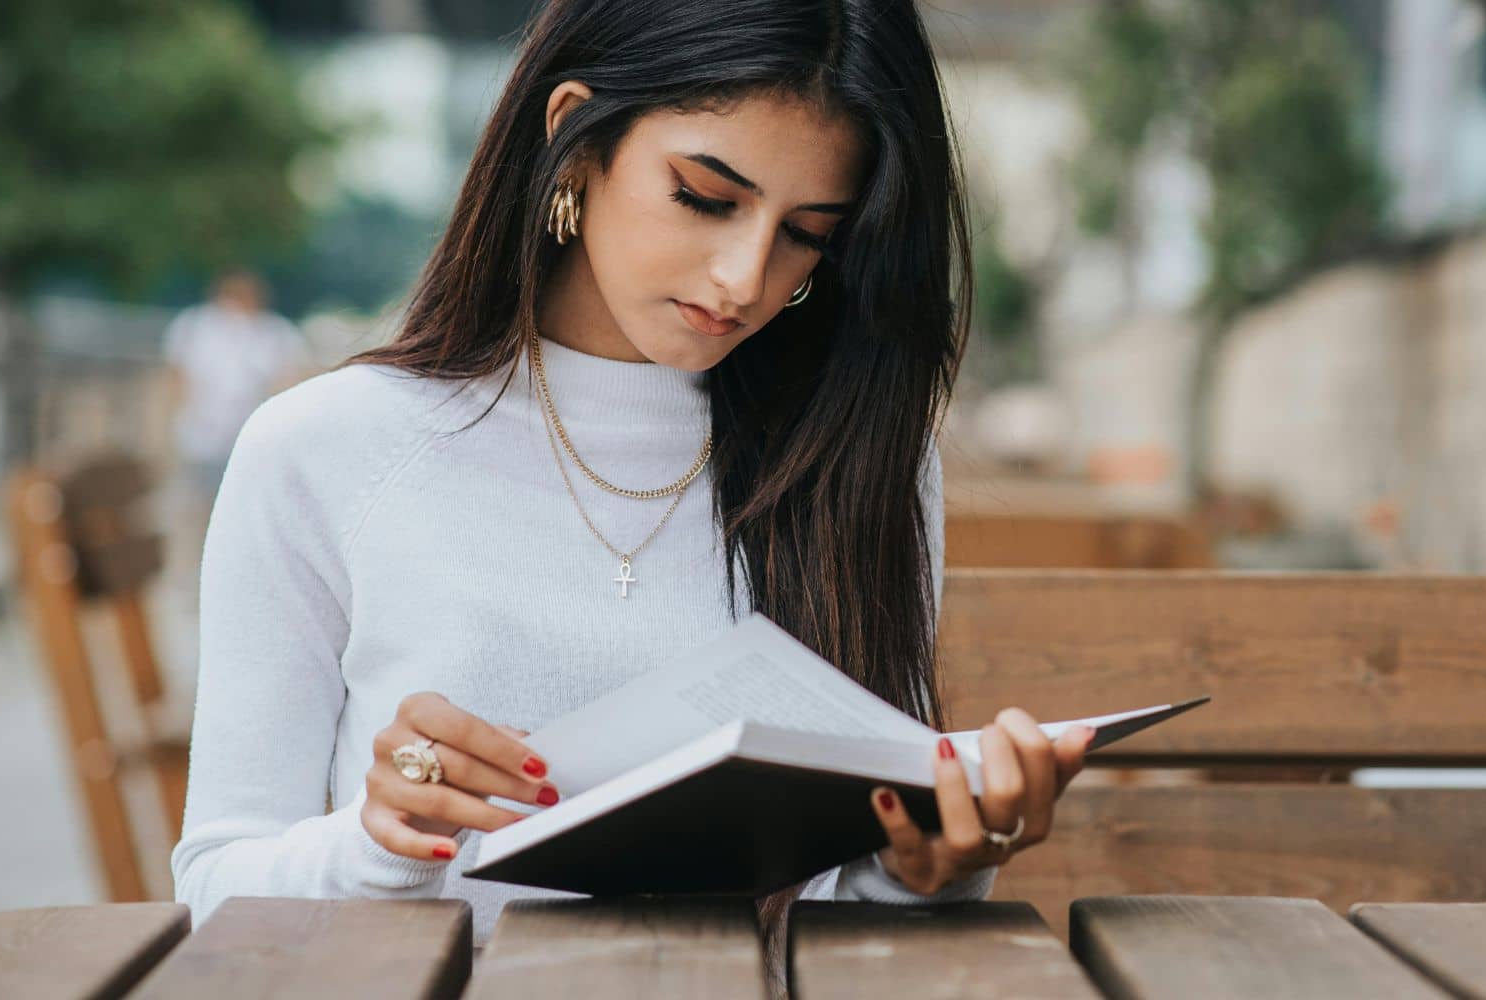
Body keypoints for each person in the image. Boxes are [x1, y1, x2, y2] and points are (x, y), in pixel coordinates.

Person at [168, 0, 1095, 975]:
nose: (744, 278)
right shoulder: (324, 449)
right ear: (575, 135)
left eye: (807, 235)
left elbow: (835, 921)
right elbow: (214, 892)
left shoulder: (861, 459)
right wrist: (378, 841)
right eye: (705, 196)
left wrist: (930, 867)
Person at [160, 269, 311, 608]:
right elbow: (177, 380)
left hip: (249, 441)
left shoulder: (275, 334)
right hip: (202, 438)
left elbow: (289, 381)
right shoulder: (195, 328)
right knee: (196, 512)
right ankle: (191, 584)